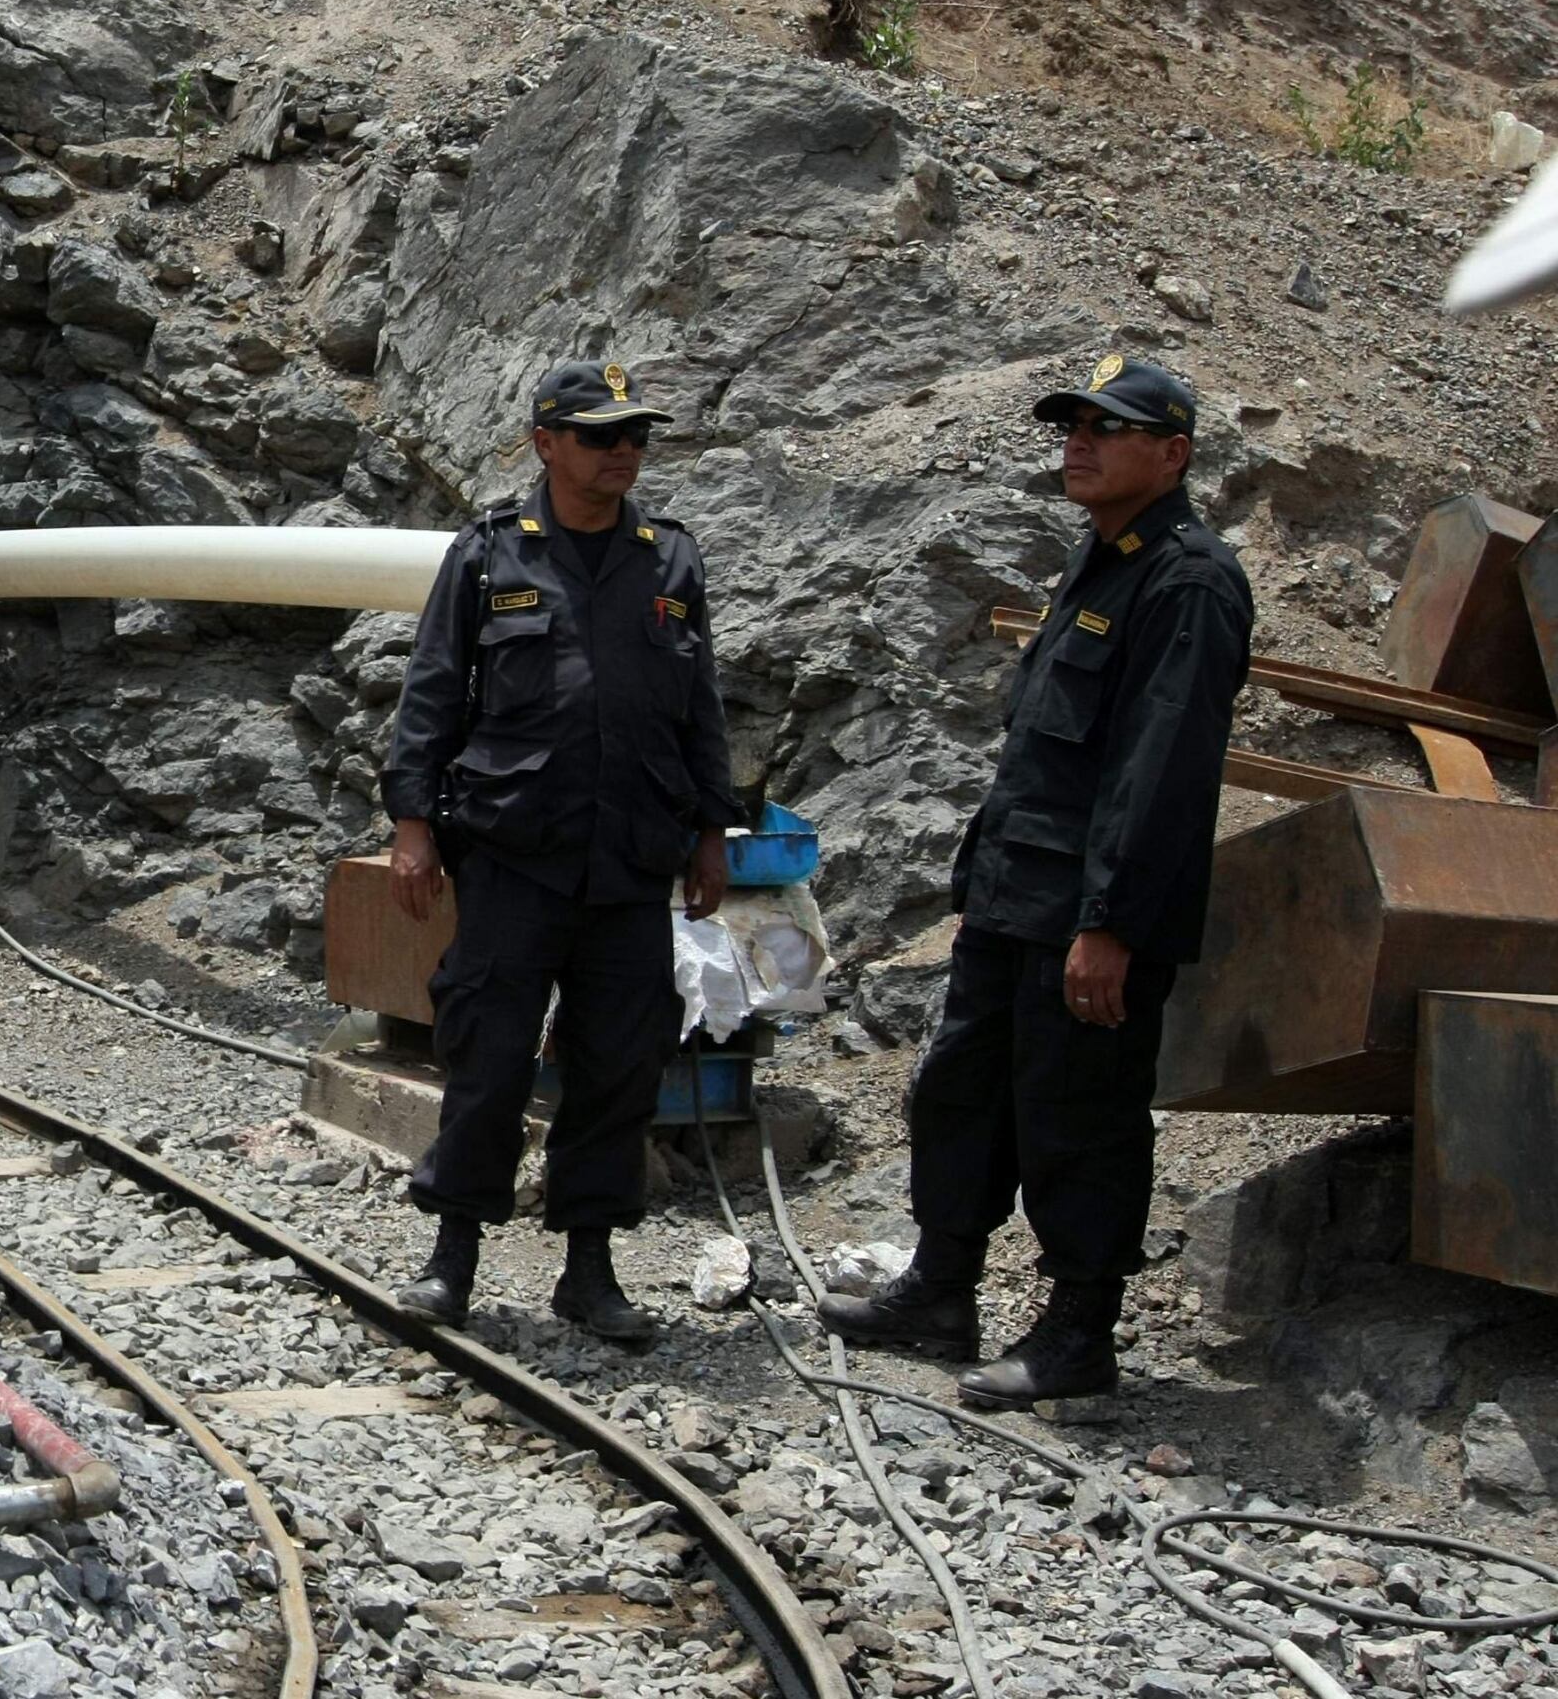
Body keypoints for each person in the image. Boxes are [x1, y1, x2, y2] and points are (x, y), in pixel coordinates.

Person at [820, 356, 1252, 1409]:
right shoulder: (1099, 560)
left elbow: (1160, 770)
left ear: (1174, 452)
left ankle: (1077, 1334)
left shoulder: (1187, 579)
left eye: (1108, 427)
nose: (1080, 441)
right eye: (1073, 424)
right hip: (1015, 897)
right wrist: (982, 875)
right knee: (964, 1092)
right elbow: (1041, 754)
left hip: (1085, 919)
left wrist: (1110, 923)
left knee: (1080, 1117)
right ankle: (941, 1287)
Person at [378, 360, 739, 1343]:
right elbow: (433, 691)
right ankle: (453, 1253)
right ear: (547, 443)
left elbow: (699, 711)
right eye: (599, 435)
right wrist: (412, 824)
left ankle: (590, 1267)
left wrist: (713, 830)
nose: (622, 451)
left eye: (635, 436)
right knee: (490, 1052)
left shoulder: (671, 562)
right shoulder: (490, 555)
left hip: (629, 861)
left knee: (619, 1063)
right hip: (514, 854)